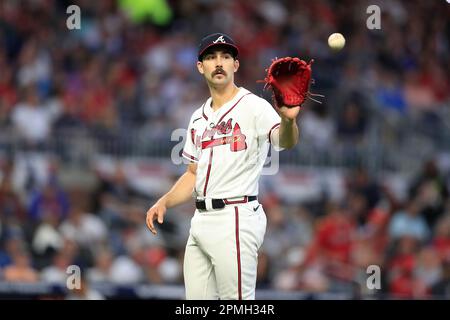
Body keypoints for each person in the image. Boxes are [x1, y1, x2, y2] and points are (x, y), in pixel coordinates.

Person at [145, 33, 301, 300]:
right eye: (211, 57)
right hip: (200, 221)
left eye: (226, 56)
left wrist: (288, 121)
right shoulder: (197, 117)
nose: (219, 62)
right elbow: (193, 174)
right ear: (200, 66)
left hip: (236, 216)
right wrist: (165, 201)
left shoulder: (253, 106)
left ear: (235, 65)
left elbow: (285, 142)